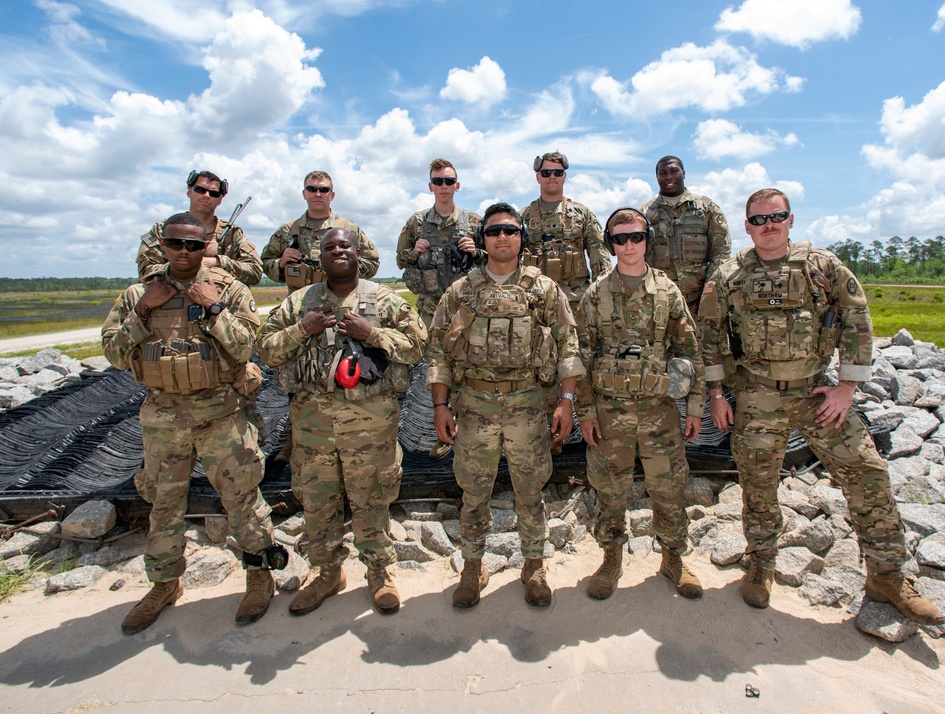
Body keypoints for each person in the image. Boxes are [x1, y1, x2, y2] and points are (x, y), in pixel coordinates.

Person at [698, 188, 944, 624]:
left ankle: (886, 577)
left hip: (817, 395)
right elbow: (712, 336)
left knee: (867, 473)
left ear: (791, 220)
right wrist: (718, 394)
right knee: (757, 485)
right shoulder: (731, 274)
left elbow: (857, 321)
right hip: (757, 398)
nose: (768, 225)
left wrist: (847, 388)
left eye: (777, 216)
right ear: (747, 225)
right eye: (758, 219)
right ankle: (761, 564)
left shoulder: (823, 266)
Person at [103, 212, 281, 634]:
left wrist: (212, 306)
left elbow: (244, 350)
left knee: (242, 499)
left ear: (207, 248)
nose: (185, 252)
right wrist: (146, 308)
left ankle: (259, 576)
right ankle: (164, 583)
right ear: (162, 245)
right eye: (176, 244)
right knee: (164, 505)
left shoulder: (229, 290)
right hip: (164, 417)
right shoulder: (137, 295)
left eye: (195, 245)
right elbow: (113, 353)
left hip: (220, 412)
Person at [257, 228, 426, 616]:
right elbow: (266, 349)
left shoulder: (382, 299)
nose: (337, 252)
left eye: (344, 246)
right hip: (312, 428)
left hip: (371, 426)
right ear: (320, 255)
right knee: (318, 504)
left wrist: (374, 334)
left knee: (372, 499)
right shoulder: (301, 302)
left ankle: (380, 573)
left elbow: (418, 345)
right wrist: (304, 330)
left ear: (358, 254)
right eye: (329, 247)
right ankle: (328, 573)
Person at [427, 203, 584, 609]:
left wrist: (566, 401)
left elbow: (569, 345)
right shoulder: (462, 291)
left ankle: (533, 566)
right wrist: (441, 405)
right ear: (482, 238)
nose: (502, 237)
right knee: (473, 491)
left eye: (510, 231)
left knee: (530, 491)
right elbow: (439, 352)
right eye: (494, 231)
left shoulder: (543, 289)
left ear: (521, 237)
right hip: (475, 406)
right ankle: (471, 566)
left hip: (529, 406)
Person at [576, 208, 706, 601]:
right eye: (619, 239)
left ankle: (673, 558)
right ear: (610, 243)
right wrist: (585, 411)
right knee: (610, 490)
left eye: (636, 237)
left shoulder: (668, 292)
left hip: (658, 412)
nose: (628, 245)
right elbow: (578, 356)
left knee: (667, 487)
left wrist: (696, 408)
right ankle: (611, 559)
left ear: (647, 239)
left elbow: (689, 352)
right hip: (609, 413)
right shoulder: (596, 293)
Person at [519, 152, 612, 311]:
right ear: (538, 177)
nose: (552, 177)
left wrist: (603, 293)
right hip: (535, 299)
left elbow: (599, 255)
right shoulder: (523, 217)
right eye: (546, 173)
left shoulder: (583, 214)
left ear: (565, 176)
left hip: (576, 300)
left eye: (558, 172)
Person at [396, 158, 483, 327]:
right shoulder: (417, 221)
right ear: (431, 186)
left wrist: (476, 252)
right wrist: (414, 252)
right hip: (429, 311)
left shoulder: (474, 221)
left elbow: (492, 260)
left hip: (465, 309)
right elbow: (400, 260)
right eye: (438, 181)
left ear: (456, 186)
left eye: (449, 181)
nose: (444, 186)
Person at [137, 170, 263, 286]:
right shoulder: (163, 229)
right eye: (200, 190)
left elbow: (255, 272)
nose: (207, 195)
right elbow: (145, 271)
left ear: (220, 200)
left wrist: (218, 262)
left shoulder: (233, 233)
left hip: (220, 303)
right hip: (170, 300)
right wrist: (186, 266)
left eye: (214, 193)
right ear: (189, 191)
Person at [261, 171, 380, 292]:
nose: (317, 194)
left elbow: (372, 263)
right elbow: (263, 264)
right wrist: (281, 263)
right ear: (304, 194)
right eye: (312, 189)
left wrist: (347, 267)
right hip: (299, 306)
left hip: (340, 304)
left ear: (332, 195)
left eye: (324, 190)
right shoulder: (287, 230)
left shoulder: (349, 229)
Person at [641, 156, 730, 317]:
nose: (669, 176)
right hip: (659, 300)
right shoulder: (645, 214)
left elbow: (721, 251)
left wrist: (710, 288)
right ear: (657, 177)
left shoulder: (707, 208)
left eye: (674, 171)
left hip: (701, 298)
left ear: (683, 173)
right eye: (663, 173)